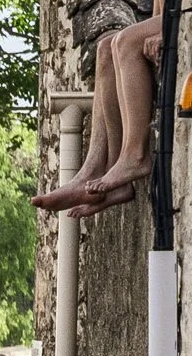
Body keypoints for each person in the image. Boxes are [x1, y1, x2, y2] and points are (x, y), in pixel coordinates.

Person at [34, 13, 164, 219]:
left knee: (125, 42)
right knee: (105, 48)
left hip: (185, 9)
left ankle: (135, 154)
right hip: (172, 11)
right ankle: (94, 171)